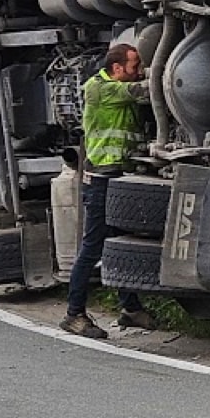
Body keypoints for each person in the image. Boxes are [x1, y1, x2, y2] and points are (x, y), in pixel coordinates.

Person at [61, 43, 158, 339]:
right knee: (93, 247)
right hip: (102, 179)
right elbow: (142, 91)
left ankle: (130, 308)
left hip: (117, 177)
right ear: (117, 69)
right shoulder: (102, 89)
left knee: (118, 243)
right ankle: (74, 314)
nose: (137, 72)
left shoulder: (113, 87)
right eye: (133, 67)